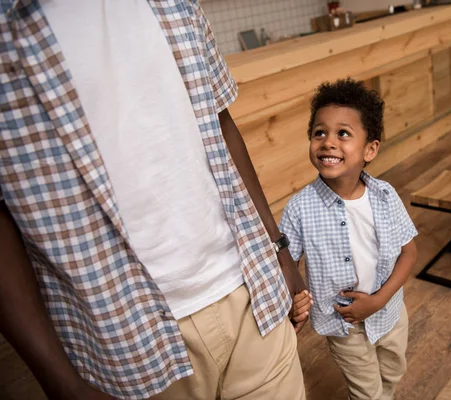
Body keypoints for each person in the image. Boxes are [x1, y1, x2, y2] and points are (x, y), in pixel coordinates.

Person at [0, 1, 311, 399]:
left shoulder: (176, 3)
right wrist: (60, 380)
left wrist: (278, 250)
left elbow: (220, 120)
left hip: (248, 289)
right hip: (122, 338)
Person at [279, 79, 418, 400]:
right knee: (367, 392)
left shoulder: (385, 196)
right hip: (343, 325)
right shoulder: (300, 208)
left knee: (393, 374)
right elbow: (286, 265)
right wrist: (293, 301)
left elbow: (409, 253)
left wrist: (379, 300)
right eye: (319, 132)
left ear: (370, 149)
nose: (328, 142)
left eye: (343, 133)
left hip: (390, 313)